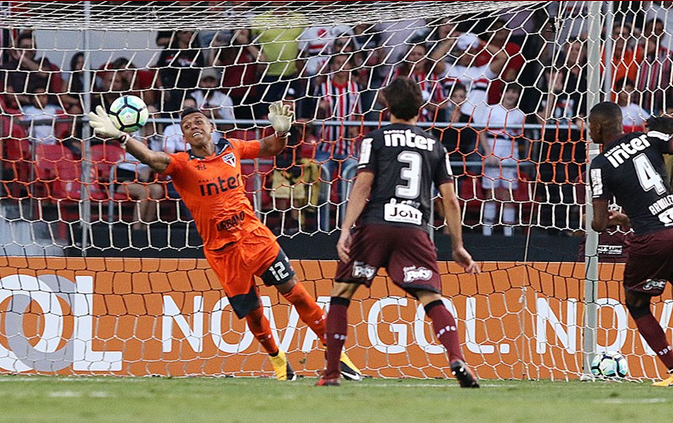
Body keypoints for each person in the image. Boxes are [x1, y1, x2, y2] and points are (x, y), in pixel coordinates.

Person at [88, 100, 361, 382]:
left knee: (294, 290)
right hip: (222, 252)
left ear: (211, 127)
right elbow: (151, 159)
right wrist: (123, 137)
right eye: (186, 126)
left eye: (198, 122)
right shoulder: (182, 164)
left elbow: (269, 148)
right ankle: (280, 362)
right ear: (183, 137)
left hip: (255, 238)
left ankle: (337, 355)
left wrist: (281, 134)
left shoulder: (231, 148)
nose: (193, 127)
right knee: (253, 314)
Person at [316, 77, 481, 387]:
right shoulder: (435, 146)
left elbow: (362, 185)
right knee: (431, 297)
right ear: (420, 108)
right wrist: (457, 246)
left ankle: (332, 373)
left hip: (376, 225)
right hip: (414, 229)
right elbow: (450, 200)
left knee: (342, 294)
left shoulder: (375, 139)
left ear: (387, 105)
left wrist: (345, 229)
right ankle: (457, 357)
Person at [588, 102, 673, 387]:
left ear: (598, 127)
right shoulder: (648, 137)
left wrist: (610, 220)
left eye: (590, 126)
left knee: (637, 303)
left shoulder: (600, 164)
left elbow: (599, 224)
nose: (589, 130)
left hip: (652, 239)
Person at [476, 83, 525, 237]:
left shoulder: (520, 114)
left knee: (508, 194)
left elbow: (524, 137)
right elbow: (481, 131)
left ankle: (508, 235)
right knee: (491, 192)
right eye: (508, 91)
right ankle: (486, 233)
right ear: (502, 93)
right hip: (493, 151)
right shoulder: (491, 109)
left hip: (511, 154)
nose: (511, 95)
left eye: (514, 92)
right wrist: (488, 153)